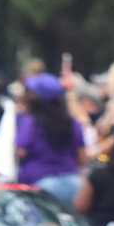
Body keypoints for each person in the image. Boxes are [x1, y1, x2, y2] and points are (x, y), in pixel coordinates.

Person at [14, 73, 86, 206]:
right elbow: (82, 157)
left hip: (40, 184)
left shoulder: (30, 122)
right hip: (74, 183)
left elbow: (21, 152)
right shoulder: (73, 123)